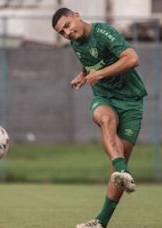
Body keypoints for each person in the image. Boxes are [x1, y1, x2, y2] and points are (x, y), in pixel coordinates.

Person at [52, 8, 148, 228]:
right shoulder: (75, 43)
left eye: (67, 25)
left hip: (131, 102)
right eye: (62, 32)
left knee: (116, 170)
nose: (67, 33)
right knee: (106, 120)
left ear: (76, 15)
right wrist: (84, 74)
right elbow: (91, 59)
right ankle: (123, 170)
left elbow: (132, 58)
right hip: (104, 97)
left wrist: (99, 74)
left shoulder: (103, 33)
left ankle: (101, 222)